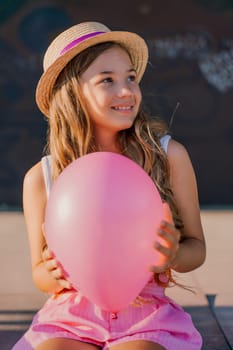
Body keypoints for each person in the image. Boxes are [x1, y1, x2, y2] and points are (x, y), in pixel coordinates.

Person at [13, 21, 206, 350]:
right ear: (72, 93)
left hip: (146, 319)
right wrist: (52, 270)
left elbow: (196, 250)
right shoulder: (42, 179)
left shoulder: (168, 156)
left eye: (131, 77)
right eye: (108, 80)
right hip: (69, 319)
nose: (127, 90)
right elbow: (39, 276)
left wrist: (172, 254)